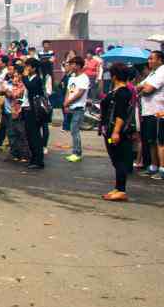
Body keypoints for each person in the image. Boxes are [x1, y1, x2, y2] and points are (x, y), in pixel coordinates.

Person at [99, 63, 138, 201]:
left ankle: (121, 190)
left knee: (119, 159)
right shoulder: (117, 91)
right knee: (115, 159)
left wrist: (116, 132)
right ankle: (118, 187)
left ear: (114, 76)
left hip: (117, 132)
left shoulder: (122, 92)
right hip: (109, 130)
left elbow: (120, 115)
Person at [136, 50, 164, 180]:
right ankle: (153, 166)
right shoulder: (152, 73)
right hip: (148, 111)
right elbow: (138, 87)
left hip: (157, 112)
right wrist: (143, 87)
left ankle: (162, 169)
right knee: (151, 140)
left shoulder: (162, 71)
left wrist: (144, 87)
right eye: (149, 59)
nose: (149, 61)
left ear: (160, 60)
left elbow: (147, 90)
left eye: (152, 59)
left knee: (160, 142)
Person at [62, 56, 90, 163]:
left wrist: (68, 102)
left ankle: (77, 153)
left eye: (73, 64)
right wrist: (66, 103)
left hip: (79, 108)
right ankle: (75, 151)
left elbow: (80, 93)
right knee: (72, 130)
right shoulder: (72, 78)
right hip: (71, 107)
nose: (71, 66)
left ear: (78, 65)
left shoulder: (84, 78)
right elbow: (70, 91)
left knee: (75, 130)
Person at [22, 58, 45, 170]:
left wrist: (25, 77)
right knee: (30, 136)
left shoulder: (36, 79)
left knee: (35, 136)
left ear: (34, 68)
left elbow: (30, 87)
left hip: (34, 111)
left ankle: (38, 160)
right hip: (27, 108)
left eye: (28, 66)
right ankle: (34, 158)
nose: (26, 68)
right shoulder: (30, 78)